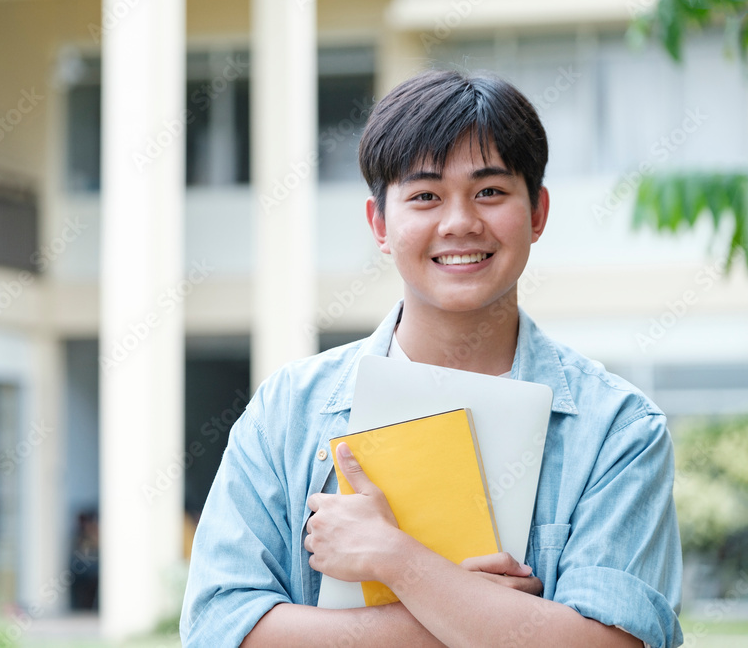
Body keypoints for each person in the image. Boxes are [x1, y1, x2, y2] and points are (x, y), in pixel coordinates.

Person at [180, 69, 683, 647]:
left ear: (538, 212)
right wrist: (476, 613)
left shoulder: (618, 429)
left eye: (490, 192)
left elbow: (613, 643)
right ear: (380, 224)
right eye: (424, 196)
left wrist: (399, 560)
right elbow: (220, 631)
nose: (459, 223)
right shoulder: (287, 410)